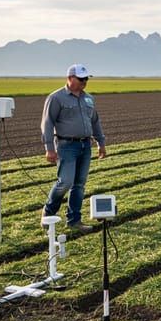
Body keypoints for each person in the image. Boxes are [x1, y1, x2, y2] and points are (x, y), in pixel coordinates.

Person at [40, 63, 107, 233]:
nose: (85, 81)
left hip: (85, 145)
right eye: (81, 79)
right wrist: (49, 148)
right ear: (70, 78)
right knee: (65, 182)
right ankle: (48, 212)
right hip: (66, 145)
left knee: (79, 185)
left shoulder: (89, 99)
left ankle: (74, 220)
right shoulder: (56, 98)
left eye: (86, 79)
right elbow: (47, 124)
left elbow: (95, 122)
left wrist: (101, 143)